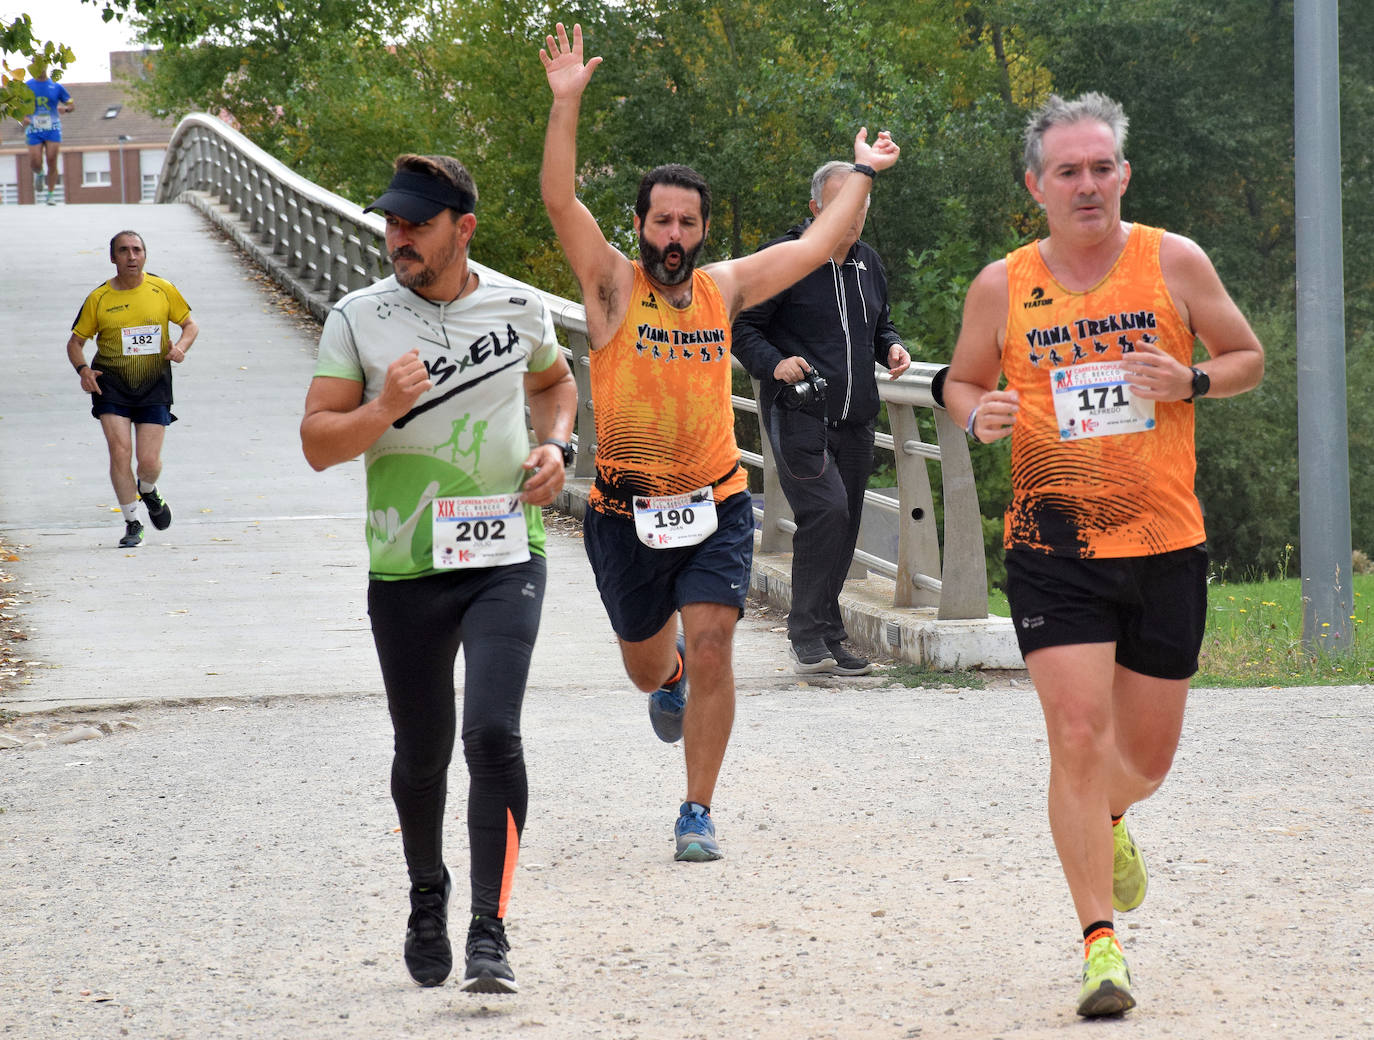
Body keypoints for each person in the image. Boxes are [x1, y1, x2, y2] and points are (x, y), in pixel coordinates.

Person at [539, 22, 899, 862]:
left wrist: (862, 174)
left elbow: (815, 245)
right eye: (660, 221)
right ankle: (662, 682)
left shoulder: (723, 289)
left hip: (713, 501)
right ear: (639, 224)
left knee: (713, 642)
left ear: (702, 231)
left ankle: (696, 808)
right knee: (648, 662)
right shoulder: (610, 289)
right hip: (625, 511)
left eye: (687, 223)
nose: (673, 236)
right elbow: (561, 201)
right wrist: (566, 107)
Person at [943, 93, 1264, 1018]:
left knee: (1144, 761)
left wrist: (1191, 377)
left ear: (1123, 174)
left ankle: (1113, 817)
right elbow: (962, 380)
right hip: (1053, 542)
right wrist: (979, 412)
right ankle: (1101, 948)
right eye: (1068, 171)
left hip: (1165, 541)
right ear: (1036, 185)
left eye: (1101, 167)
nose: (1087, 184)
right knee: (1077, 739)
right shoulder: (1002, 285)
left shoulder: (1173, 261)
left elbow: (1247, 356)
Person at [301, 153, 577, 994]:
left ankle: (490, 931)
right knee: (422, 756)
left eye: (416, 224)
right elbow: (317, 442)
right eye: (391, 222)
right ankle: (428, 893)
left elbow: (557, 384)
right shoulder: (358, 318)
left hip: (504, 552)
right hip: (406, 563)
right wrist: (382, 408)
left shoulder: (520, 306)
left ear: (464, 229)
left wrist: (557, 446)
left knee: (492, 733)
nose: (398, 238)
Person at [733, 160, 912, 676]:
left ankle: (829, 632)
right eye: (839, 206)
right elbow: (744, 329)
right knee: (826, 512)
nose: (850, 218)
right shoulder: (784, 259)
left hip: (856, 419)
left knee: (846, 523)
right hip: (798, 414)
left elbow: (880, 325)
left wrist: (893, 348)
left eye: (859, 207)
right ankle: (806, 632)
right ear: (815, 209)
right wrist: (775, 364)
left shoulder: (868, 264)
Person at [67, 231, 198, 548]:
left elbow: (190, 325)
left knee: (149, 462)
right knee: (119, 452)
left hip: (154, 384)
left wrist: (180, 348)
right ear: (113, 258)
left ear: (145, 255)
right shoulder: (99, 299)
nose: (131, 256)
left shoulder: (162, 289)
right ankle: (132, 522)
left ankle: (149, 490)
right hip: (112, 386)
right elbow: (75, 343)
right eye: (123, 251)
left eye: (137, 250)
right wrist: (83, 370)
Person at [23, 61, 74, 206]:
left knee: (52, 159)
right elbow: (17, 106)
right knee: (35, 161)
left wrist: (67, 109)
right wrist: (24, 117)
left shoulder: (56, 86)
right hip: (34, 128)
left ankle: (50, 194)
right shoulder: (27, 86)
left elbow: (71, 104)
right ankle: (39, 173)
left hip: (52, 127)